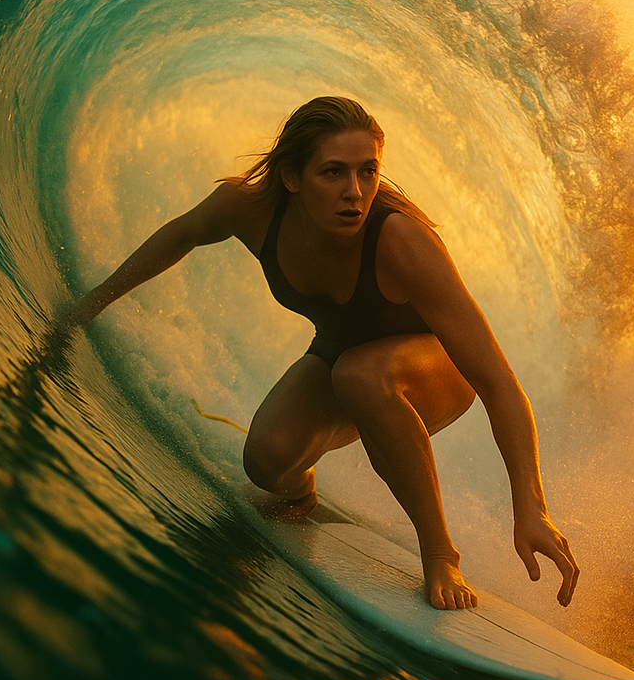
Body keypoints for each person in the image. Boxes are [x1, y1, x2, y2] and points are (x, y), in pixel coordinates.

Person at [65, 96, 579, 610]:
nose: (354, 192)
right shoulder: (249, 209)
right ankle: (303, 489)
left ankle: (441, 552)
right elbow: (181, 234)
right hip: (340, 356)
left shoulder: (401, 241)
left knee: (360, 376)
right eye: (333, 173)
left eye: (367, 171)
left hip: (434, 370)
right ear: (292, 177)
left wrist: (530, 506)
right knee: (266, 462)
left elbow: (498, 381)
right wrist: (91, 303)